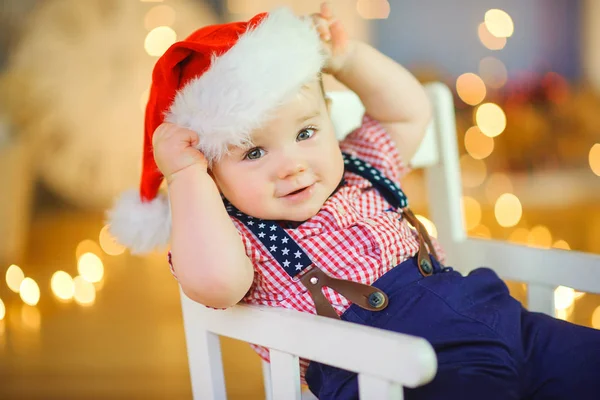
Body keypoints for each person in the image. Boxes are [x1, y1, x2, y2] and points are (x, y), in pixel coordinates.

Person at [107, 3, 600, 399]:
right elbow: (212, 282)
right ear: (215, 175)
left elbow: (411, 113)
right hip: (404, 371)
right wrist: (186, 174)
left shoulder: (362, 162)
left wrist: (346, 59)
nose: (292, 164)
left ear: (328, 121)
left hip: (503, 319)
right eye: (254, 151)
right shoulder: (238, 238)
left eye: (305, 131)